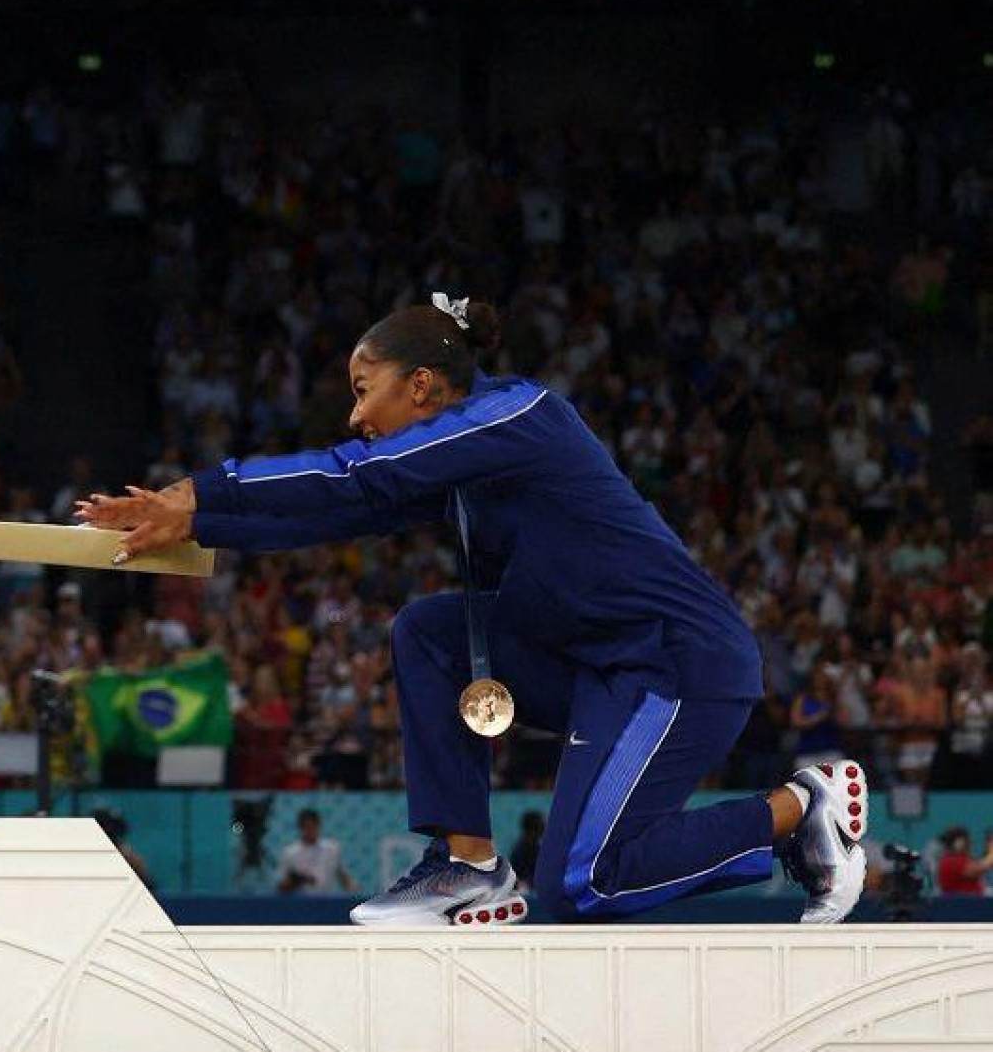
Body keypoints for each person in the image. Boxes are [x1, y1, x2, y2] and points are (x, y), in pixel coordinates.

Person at [82, 294, 867, 926]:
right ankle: (469, 866)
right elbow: (338, 511)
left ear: (420, 383)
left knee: (581, 884)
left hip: (677, 660)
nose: (355, 415)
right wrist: (198, 523)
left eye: (364, 390)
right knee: (428, 632)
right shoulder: (453, 464)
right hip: (593, 663)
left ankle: (800, 808)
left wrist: (199, 490)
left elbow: (358, 475)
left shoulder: (519, 413)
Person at [275, 809, 359, 895]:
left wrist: (352, 887)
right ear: (300, 828)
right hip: (301, 901)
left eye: (313, 826)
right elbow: (281, 884)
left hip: (326, 900)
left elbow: (341, 874)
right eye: (306, 827)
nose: (310, 831)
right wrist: (297, 881)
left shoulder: (331, 849)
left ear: (319, 826)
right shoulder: (290, 852)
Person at [936, 828, 991, 896]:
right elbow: (978, 869)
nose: (970, 843)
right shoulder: (950, 861)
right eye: (967, 840)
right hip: (962, 903)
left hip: (974, 899)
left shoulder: (961, 858)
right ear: (959, 842)